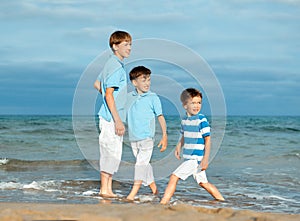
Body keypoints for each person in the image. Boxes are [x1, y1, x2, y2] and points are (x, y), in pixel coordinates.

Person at [160, 88, 224, 204]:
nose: (196, 106)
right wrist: (178, 147)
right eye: (193, 103)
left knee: (174, 177)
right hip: (189, 157)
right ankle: (222, 201)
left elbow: (208, 140)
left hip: (195, 158)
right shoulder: (185, 120)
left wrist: (205, 159)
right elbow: (183, 135)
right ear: (185, 105)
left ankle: (163, 203)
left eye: (199, 102)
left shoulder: (201, 120)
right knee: (203, 183)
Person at [94, 30, 132, 198]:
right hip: (111, 118)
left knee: (111, 152)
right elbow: (109, 94)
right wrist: (118, 120)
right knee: (111, 153)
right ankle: (104, 189)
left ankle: (107, 189)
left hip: (108, 116)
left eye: (130, 44)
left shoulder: (111, 63)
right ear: (115, 46)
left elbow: (97, 84)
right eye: (126, 45)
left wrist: (106, 96)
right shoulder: (116, 66)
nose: (129, 48)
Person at [126, 66, 168, 201]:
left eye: (149, 80)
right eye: (143, 80)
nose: (147, 83)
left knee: (140, 165)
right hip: (133, 138)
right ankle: (155, 190)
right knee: (145, 165)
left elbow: (160, 117)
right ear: (134, 82)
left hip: (147, 138)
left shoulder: (153, 98)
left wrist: (164, 136)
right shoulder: (129, 97)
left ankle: (132, 193)